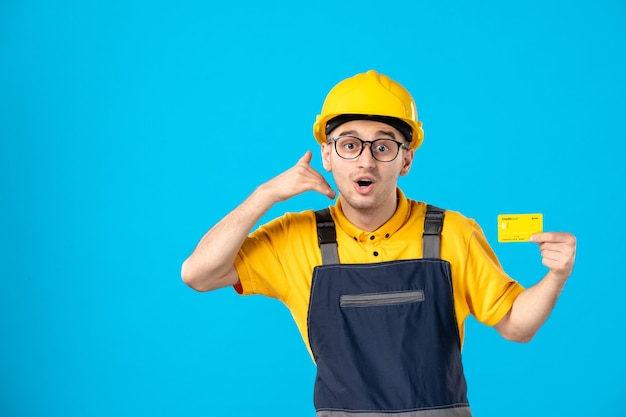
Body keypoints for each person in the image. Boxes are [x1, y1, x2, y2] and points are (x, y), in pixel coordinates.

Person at [181, 70, 576, 417]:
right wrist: (265, 194)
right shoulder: (295, 238)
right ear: (327, 155)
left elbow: (516, 326)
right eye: (349, 145)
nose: (366, 162)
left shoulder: (452, 233)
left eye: (383, 146)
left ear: (406, 160)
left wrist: (556, 276)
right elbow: (198, 274)